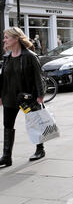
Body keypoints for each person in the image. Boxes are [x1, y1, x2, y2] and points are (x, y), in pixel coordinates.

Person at [0, 27, 46, 168]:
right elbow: (3, 79)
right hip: (9, 97)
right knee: (7, 125)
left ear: (16, 39)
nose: (4, 40)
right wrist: (0, 96)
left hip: (26, 98)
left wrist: (40, 95)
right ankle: (7, 156)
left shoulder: (30, 56)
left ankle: (40, 149)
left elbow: (39, 77)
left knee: (33, 122)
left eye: (7, 37)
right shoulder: (7, 57)